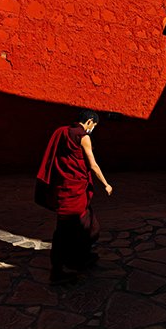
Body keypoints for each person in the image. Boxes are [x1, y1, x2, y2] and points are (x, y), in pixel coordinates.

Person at [36, 110, 112, 283]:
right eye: (94, 126)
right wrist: (106, 184)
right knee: (70, 231)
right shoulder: (83, 137)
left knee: (86, 225)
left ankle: (79, 258)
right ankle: (58, 271)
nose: (93, 129)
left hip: (67, 188)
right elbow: (92, 165)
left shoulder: (61, 132)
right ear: (90, 121)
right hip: (73, 193)